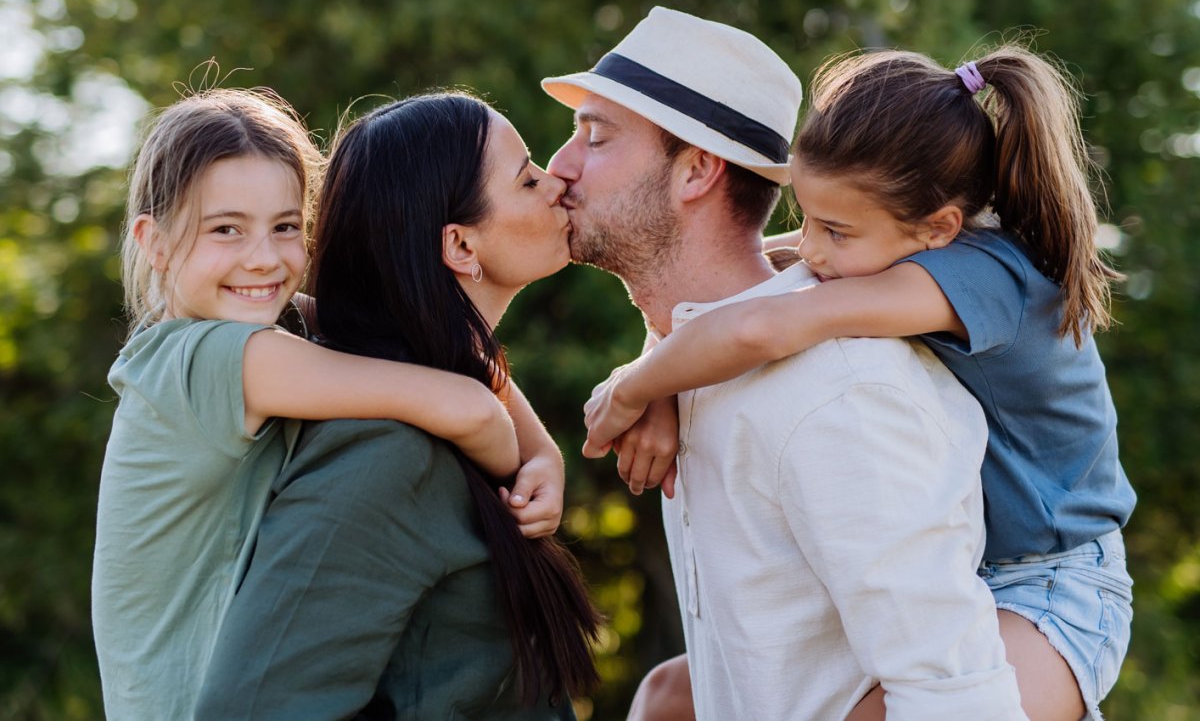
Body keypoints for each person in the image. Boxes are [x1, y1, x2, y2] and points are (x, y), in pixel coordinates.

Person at [582, 45, 1136, 721]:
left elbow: (763, 325)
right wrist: (670, 375)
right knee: (668, 697)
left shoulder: (988, 278)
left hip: (1056, 588)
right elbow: (753, 283)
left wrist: (634, 388)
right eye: (806, 217)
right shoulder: (900, 241)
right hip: (981, 565)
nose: (810, 247)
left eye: (835, 231)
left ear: (940, 227)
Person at [93, 88, 540, 720]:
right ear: (155, 242)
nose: (263, 259)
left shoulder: (261, 330)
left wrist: (545, 454)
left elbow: (449, 355)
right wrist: (515, 467)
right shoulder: (210, 358)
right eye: (226, 230)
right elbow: (467, 405)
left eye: (284, 227)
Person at [195, 92, 601, 719]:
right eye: (527, 180)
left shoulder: (441, 396)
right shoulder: (387, 453)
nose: (556, 183)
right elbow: (248, 708)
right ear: (460, 246)